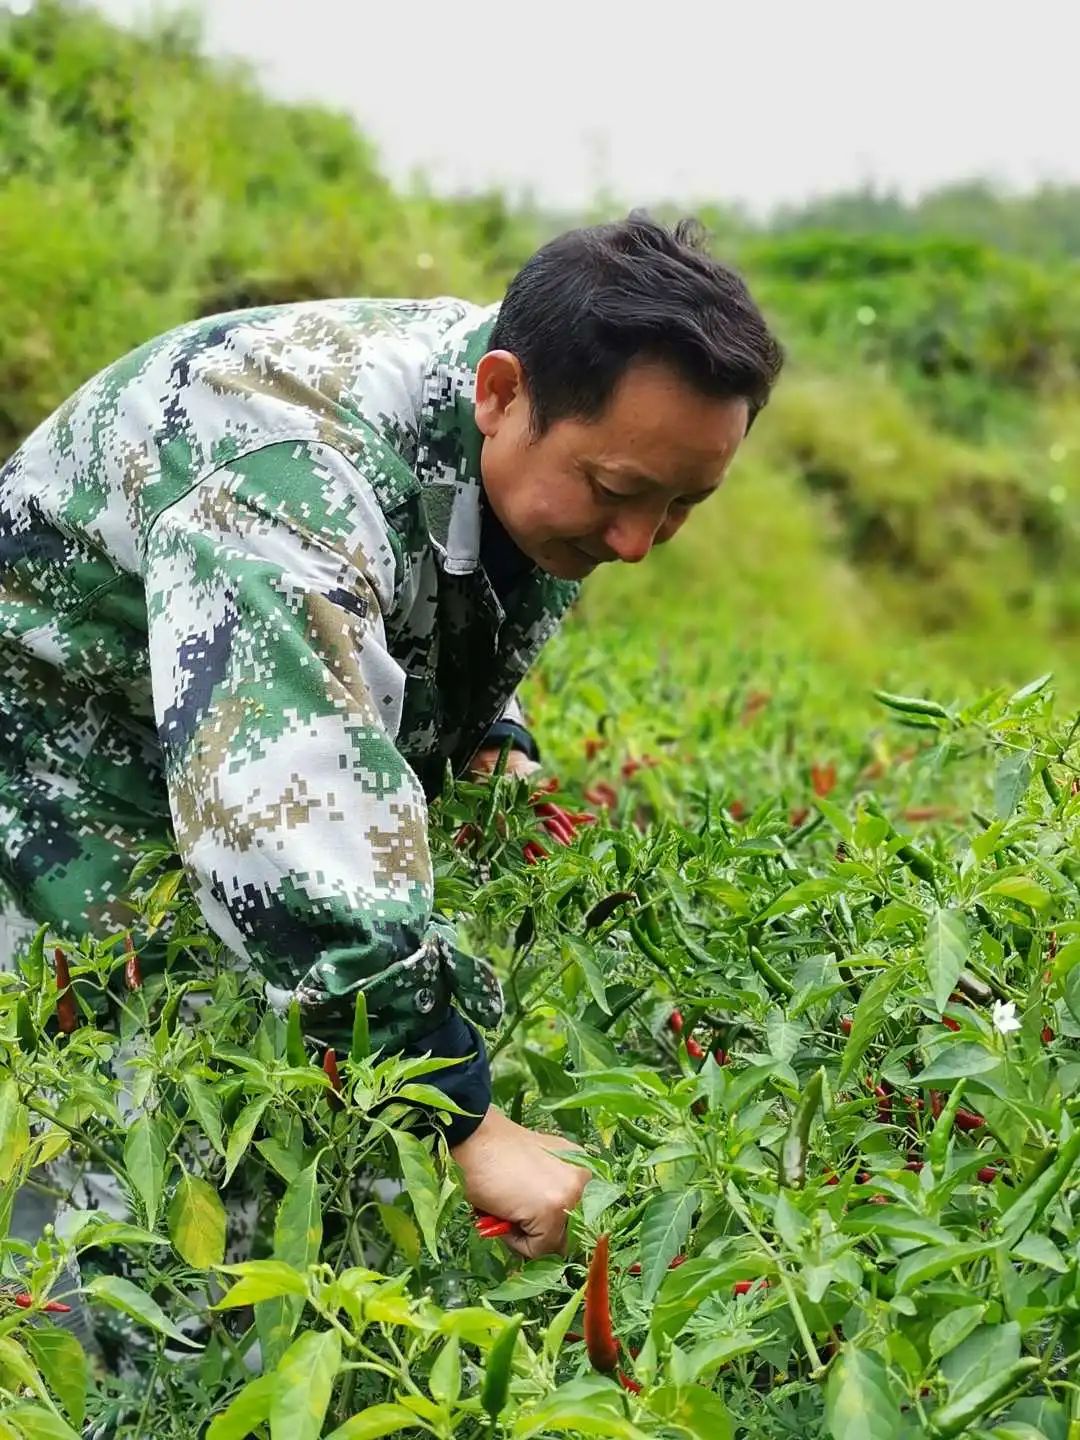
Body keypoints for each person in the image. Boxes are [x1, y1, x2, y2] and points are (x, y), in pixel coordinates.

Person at [0, 211, 783, 1259]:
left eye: (684, 505)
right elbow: (283, 812)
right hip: (57, 772)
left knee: (293, 1144)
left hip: (181, 743)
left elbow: (410, 587)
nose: (639, 544)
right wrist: (460, 1112)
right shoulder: (290, 467)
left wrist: (488, 725)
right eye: (618, 493)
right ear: (501, 393)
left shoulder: (512, 405)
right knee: (126, 1189)